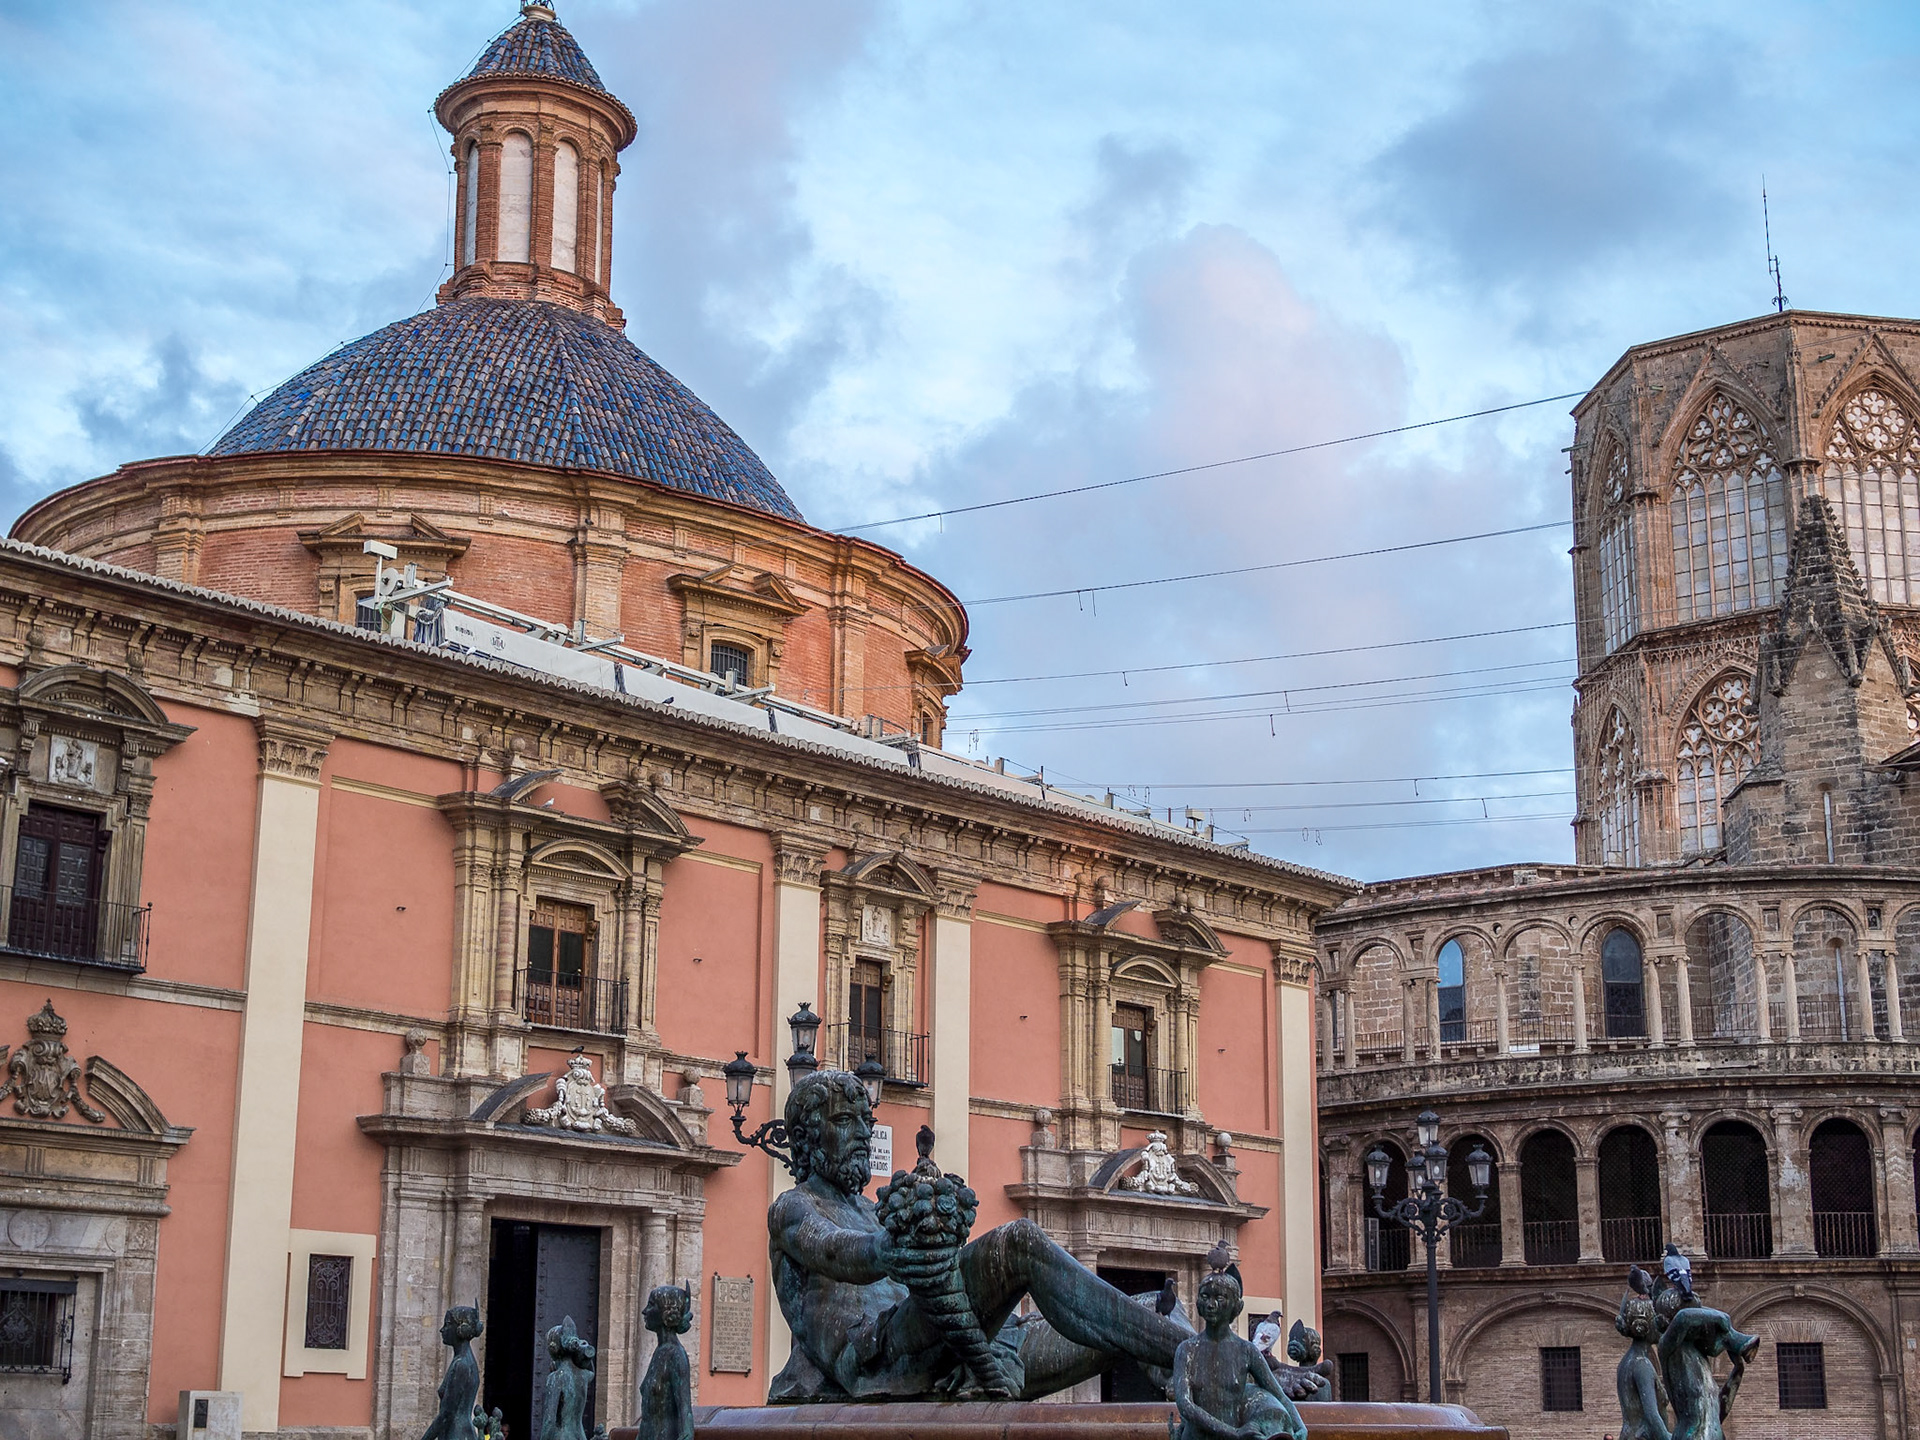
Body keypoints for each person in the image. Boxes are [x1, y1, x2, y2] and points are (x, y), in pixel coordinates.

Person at [767, 1069, 1191, 1400]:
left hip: (955, 1348)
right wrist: (886, 1250)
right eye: (845, 1120)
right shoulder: (794, 1206)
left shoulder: (873, 1210)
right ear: (804, 1138)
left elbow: (937, 1278)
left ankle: (1202, 1361)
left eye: (866, 1120)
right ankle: (1202, 1357)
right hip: (878, 1357)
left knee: (1156, 1306)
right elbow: (835, 1252)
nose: (863, 1132)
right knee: (1016, 1242)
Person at [1172, 1271, 1307, 1440]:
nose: (1210, 1304)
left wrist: (1301, 1427)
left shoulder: (1247, 1351)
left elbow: (1278, 1394)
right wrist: (1234, 1433)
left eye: (1219, 1298)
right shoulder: (1187, 1350)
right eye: (1205, 1296)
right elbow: (1185, 1406)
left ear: (1237, 1306)